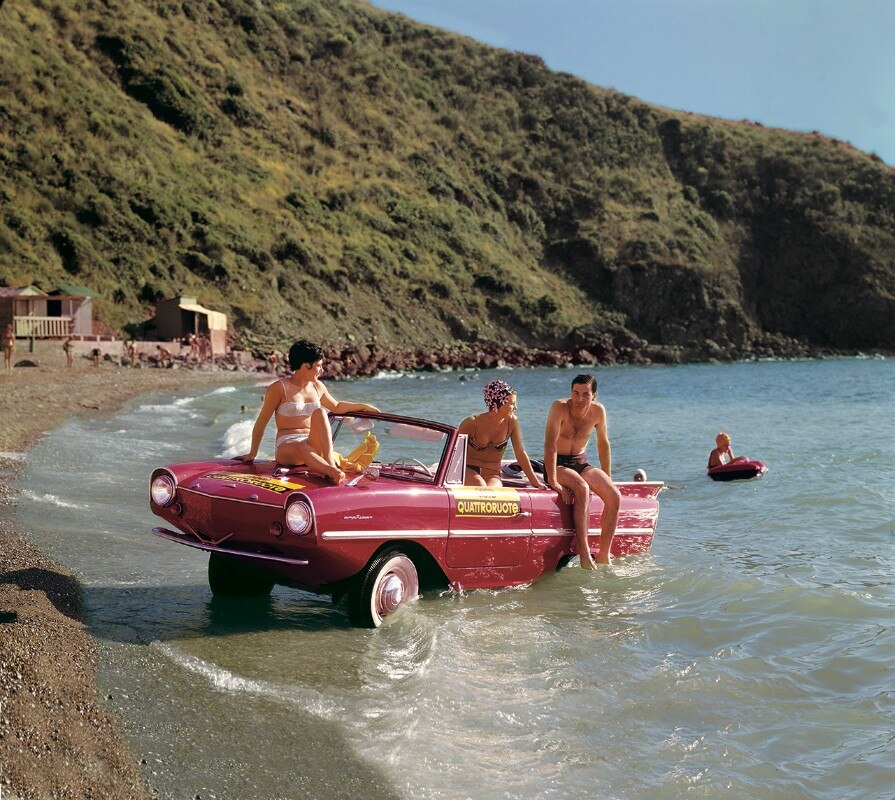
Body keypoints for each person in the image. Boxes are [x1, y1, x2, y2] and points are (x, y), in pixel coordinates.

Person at [236, 339, 379, 484]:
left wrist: (363, 406)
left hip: (311, 442)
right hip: (287, 446)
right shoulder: (279, 388)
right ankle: (331, 471)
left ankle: (329, 463)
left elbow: (337, 406)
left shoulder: (318, 387)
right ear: (306, 365)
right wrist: (252, 453)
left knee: (321, 412)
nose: (322, 370)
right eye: (319, 365)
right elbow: (262, 421)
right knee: (302, 447)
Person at [544, 374, 621, 569]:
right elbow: (550, 445)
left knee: (614, 495)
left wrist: (607, 477)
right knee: (582, 488)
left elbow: (603, 444)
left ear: (594, 395)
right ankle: (584, 553)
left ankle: (604, 555)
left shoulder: (598, 412)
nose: (579, 399)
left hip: (581, 462)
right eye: (575, 393)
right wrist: (553, 480)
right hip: (558, 463)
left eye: (585, 394)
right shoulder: (559, 408)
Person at [458, 379, 547, 490]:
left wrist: (535, 482)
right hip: (469, 470)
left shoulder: (511, 422)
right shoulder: (471, 423)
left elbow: (520, 453)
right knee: (480, 486)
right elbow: (455, 452)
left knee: (494, 492)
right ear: (498, 403)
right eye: (512, 404)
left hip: (492, 473)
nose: (516, 408)